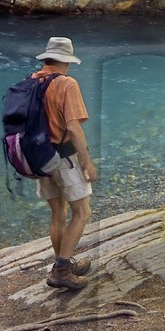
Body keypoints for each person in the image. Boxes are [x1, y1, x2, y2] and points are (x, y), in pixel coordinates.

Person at [27, 36, 98, 290]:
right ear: (66, 61)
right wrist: (87, 162)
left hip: (38, 158)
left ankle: (63, 263)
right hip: (64, 158)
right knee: (83, 212)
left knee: (58, 213)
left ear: (46, 58)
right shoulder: (67, 83)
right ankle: (61, 270)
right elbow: (73, 127)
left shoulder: (31, 82)